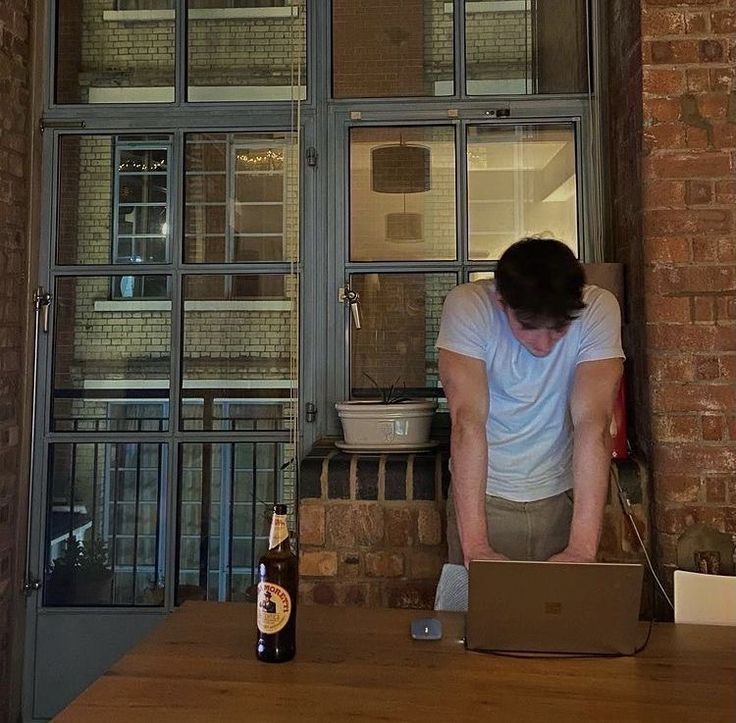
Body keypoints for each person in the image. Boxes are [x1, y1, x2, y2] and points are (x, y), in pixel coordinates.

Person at [436, 237, 624, 566]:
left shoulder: (599, 308)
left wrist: (581, 548)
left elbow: (593, 423)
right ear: (501, 300)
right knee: (479, 615)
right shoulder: (468, 306)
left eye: (559, 329)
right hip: (483, 494)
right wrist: (476, 547)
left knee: (563, 615)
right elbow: (467, 421)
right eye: (527, 326)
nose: (542, 344)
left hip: (564, 496)